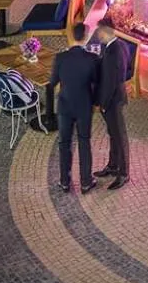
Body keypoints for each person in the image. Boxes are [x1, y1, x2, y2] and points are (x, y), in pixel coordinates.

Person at [49, 23, 101, 193]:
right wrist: (94, 102)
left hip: (65, 106)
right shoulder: (92, 59)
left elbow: (52, 82)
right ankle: (86, 181)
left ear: (71, 36)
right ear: (85, 36)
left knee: (64, 143)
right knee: (84, 141)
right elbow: (96, 83)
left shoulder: (60, 58)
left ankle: (64, 181)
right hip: (84, 106)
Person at [92, 19, 131, 189]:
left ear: (105, 31)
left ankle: (123, 173)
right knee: (113, 134)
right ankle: (113, 165)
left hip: (112, 101)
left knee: (119, 136)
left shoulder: (114, 52)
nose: (97, 35)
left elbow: (110, 82)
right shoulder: (119, 46)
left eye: (99, 31)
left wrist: (103, 103)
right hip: (114, 98)